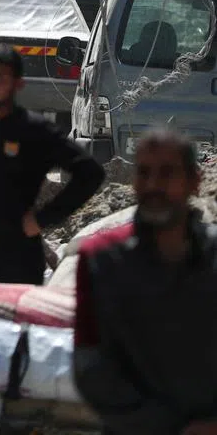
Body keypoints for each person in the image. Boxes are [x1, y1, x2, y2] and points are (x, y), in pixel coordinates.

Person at [74, 129, 217, 435]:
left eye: (167, 173)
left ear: (195, 181)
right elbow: (91, 364)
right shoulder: (101, 260)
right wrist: (171, 427)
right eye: (144, 172)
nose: (153, 185)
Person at [0, 45, 105, 284]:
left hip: (17, 259)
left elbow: (90, 173)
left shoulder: (34, 131)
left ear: (18, 83)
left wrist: (43, 219)